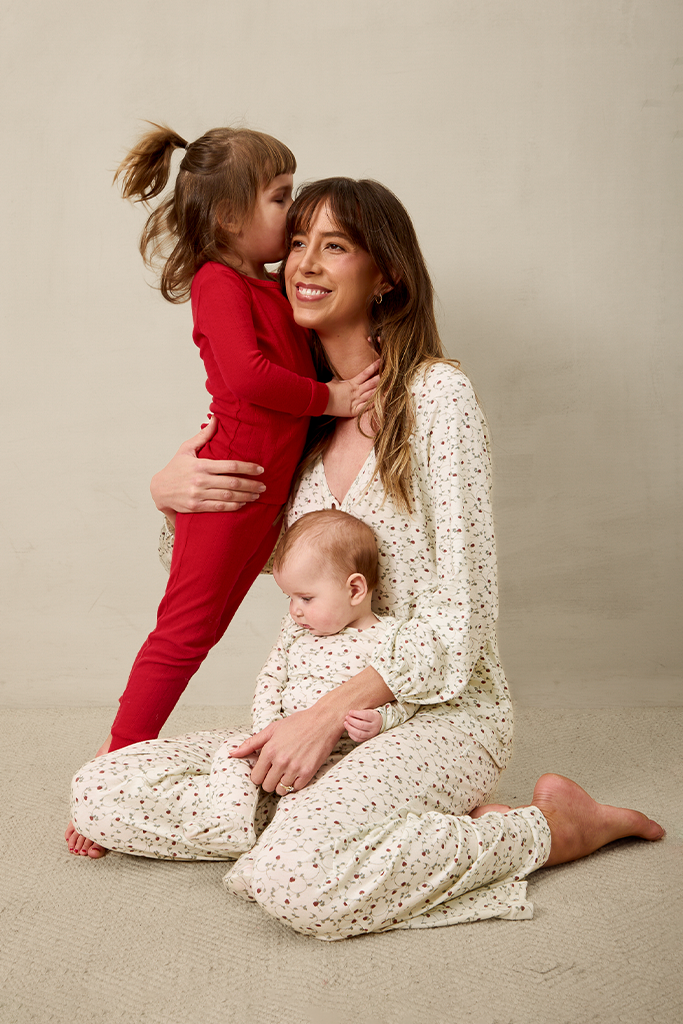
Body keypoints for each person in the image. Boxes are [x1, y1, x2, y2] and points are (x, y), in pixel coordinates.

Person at [68, 178, 663, 940]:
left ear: (386, 275)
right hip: (300, 720)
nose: (304, 265)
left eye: (335, 245)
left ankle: (553, 829)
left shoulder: (436, 398)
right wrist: (171, 495)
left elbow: (466, 615)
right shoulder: (296, 411)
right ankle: (356, 823)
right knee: (98, 789)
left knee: (295, 884)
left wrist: (324, 717)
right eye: (295, 245)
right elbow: (232, 562)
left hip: (437, 715)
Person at [104, 127, 380, 755]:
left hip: (267, 492)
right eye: (282, 199)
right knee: (184, 631)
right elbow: (249, 379)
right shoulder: (217, 284)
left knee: (209, 626)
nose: (294, 212)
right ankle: (116, 756)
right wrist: (331, 399)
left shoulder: (275, 283)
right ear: (230, 215)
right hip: (231, 486)